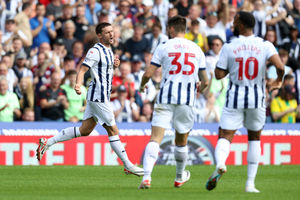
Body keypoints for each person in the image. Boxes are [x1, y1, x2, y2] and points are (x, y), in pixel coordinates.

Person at [36, 22, 144, 176]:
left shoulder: (109, 50)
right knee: (113, 130)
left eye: (112, 31)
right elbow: (83, 69)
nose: (111, 34)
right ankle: (128, 165)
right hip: (98, 96)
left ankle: (47, 142)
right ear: (99, 35)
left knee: (84, 130)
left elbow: (104, 72)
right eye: (107, 32)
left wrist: (115, 66)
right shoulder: (95, 51)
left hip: (99, 96)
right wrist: (78, 84)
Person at [205, 11, 285, 193]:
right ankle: (250, 184)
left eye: (234, 21)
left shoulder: (229, 46)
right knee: (254, 138)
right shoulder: (265, 45)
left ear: (240, 24)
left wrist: (229, 68)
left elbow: (218, 74)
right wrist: (278, 81)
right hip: (257, 98)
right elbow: (280, 67)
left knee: (225, 135)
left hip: (234, 97)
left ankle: (220, 164)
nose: (232, 24)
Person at [138, 16, 209, 189]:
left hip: (165, 98)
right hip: (186, 100)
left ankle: (146, 177)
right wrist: (200, 88)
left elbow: (148, 73)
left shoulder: (164, 47)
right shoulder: (196, 49)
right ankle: (179, 177)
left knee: (155, 138)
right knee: (181, 140)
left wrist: (142, 86)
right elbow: (205, 81)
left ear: (171, 29)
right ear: (184, 29)